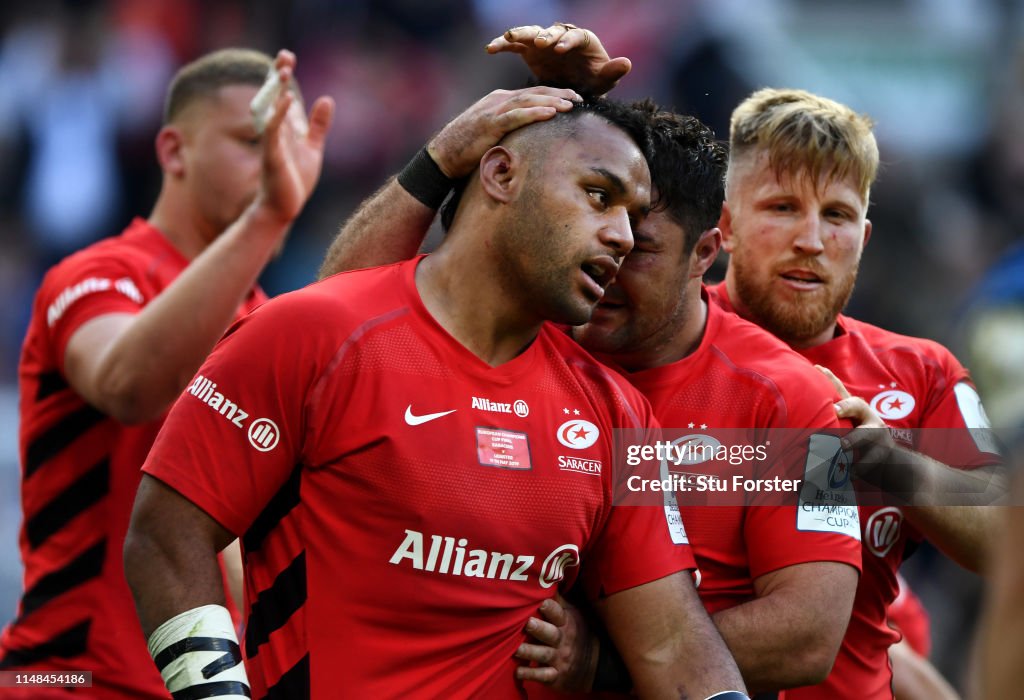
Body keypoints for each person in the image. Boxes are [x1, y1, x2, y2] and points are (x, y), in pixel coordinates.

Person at [123, 98, 748, 700]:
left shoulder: (820, 423)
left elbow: (759, 635)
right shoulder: (321, 335)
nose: (621, 238)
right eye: (598, 196)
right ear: (502, 175)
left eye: (837, 213)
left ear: (708, 254)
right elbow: (165, 531)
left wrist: (601, 664)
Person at [318, 34, 865, 698]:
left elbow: (810, 635)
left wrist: (604, 664)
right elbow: (336, 329)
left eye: (642, 245)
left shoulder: (805, 407)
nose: (608, 250)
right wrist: (460, 151)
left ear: (705, 254)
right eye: (595, 210)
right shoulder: (522, 330)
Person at [0, 48, 334, 698]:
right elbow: (129, 386)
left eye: (287, 148)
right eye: (249, 142)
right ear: (173, 152)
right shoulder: (100, 275)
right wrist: (268, 213)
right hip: (67, 677)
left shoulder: (267, 321)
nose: (276, 165)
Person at [712, 86, 1003, 700]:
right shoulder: (660, 342)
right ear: (727, 226)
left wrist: (889, 464)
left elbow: (1006, 540)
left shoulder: (923, 372)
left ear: (864, 239)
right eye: (783, 207)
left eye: (836, 215)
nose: (812, 241)